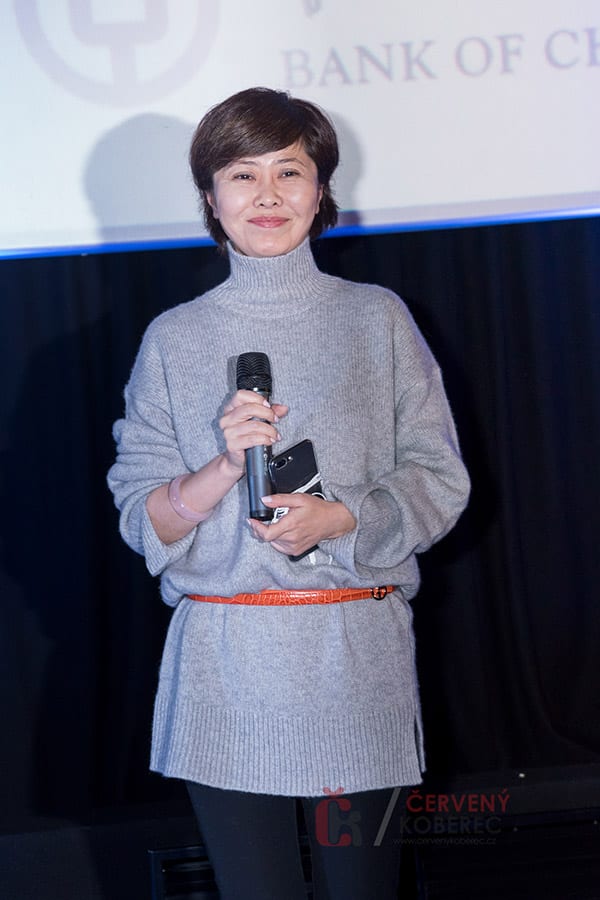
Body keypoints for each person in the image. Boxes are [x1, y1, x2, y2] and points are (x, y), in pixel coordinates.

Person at [108, 87, 470, 899]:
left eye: (289, 171)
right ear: (211, 198)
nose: (267, 195)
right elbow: (142, 516)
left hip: (355, 659)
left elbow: (439, 476)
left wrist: (342, 519)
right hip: (225, 667)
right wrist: (221, 467)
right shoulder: (173, 337)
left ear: (321, 191)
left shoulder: (376, 319)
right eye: (243, 175)